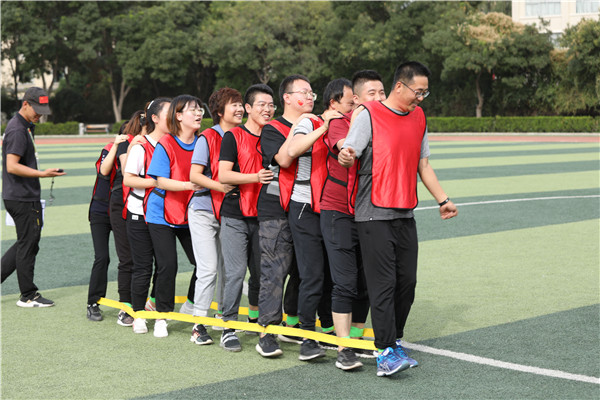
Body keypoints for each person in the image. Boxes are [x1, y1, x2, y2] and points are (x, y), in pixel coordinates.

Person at [339, 61, 458, 377]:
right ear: (400, 86)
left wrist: (443, 200)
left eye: (425, 92)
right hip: (372, 213)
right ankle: (384, 352)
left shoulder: (419, 118)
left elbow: (423, 165)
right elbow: (348, 152)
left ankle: (395, 340)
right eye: (418, 91)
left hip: (405, 211)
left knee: (407, 282)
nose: (421, 97)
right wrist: (346, 155)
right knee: (383, 284)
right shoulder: (369, 114)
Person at [319, 70, 387, 369]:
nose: (378, 99)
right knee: (345, 282)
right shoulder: (339, 121)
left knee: (366, 281)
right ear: (357, 100)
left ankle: (357, 339)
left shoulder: (384, 123)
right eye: (372, 94)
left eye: (382, 93)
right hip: (338, 212)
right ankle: (344, 347)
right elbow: (343, 149)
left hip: (370, 211)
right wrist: (348, 150)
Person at [286, 78, 352, 362]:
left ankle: (328, 328)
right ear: (334, 102)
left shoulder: (346, 123)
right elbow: (292, 151)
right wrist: (324, 126)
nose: (309, 96)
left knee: (329, 274)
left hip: (329, 207)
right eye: (350, 101)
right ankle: (306, 336)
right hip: (305, 206)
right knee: (312, 274)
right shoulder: (308, 121)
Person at [257, 74, 319, 360]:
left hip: (307, 208)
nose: (309, 97)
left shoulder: (315, 124)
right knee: (275, 270)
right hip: (276, 208)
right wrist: (299, 128)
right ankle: (267, 332)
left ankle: (294, 324)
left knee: (305, 271)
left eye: (311, 92)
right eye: (303, 92)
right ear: (287, 97)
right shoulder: (273, 128)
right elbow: (282, 159)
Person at [217, 84, 275, 354]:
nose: (267, 109)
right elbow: (223, 175)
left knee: (261, 274)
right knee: (236, 273)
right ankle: (228, 326)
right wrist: (255, 177)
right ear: (249, 108)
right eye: (262, 104)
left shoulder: (275, 136)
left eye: (271, 105)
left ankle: (257, 322)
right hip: (235, 216)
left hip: (265, 216)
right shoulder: (233, 136)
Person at [1, 87, 65, 307]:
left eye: (43, 110)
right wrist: (42, 174)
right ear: (25, 104)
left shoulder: (24, 126)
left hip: (20, 195)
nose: (40, 114)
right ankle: (28, 295)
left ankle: (26, 293)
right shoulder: (18, 129)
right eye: (37, 109)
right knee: (28, 244)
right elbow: (12, 166)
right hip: (22, 197)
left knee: (26, 243)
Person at [145, 94, 202, 338]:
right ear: (178, 116)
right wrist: (190, 185)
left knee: (203, 263)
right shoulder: (166, 143)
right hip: (161, 214)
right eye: (192, 109)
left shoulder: (202, 142)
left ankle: (190, 304)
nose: (198, 113)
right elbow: (160, 181)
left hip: (191, 213)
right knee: (168, 265)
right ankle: (162, 315)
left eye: (200, 109)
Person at [187, 88, 238, 348]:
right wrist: (220, 187)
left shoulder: (242, 134)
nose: (239, 109)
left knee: (229, 268)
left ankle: (223, 316)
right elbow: (194, 175)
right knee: (208, 268)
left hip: (230, 212)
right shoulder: (207, 137)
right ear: (219, 111)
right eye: (233, 104)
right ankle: (198, 325)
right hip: (204, 210)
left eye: (240, 104)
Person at [123, 98, 172, 334]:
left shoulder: (173, 143)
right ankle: (139, 314)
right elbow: (128, 179)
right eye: (170, 113)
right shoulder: (141, 145)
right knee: (143, 266)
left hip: (164, 214)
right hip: (139, 213)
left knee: (165, 265)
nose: (175, 117)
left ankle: (159, 313)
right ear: (155, 118)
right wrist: (158, 182)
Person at [86, 127, 129, 321]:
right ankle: (93, 302)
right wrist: (117, 145)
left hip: (122, 210)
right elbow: (103, 171)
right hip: (101, 211)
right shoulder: (110, 148)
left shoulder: (138, 149)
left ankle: (127, 303)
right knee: (102, 257)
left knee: (127, 258)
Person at [100, 112, 138, 326]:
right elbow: (104, 171)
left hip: (141, 202)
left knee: (144, 259)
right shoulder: (120, 145)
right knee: (127, 257)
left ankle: (143, 302)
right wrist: (121, 145)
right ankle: (126, 305)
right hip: (119, 201)